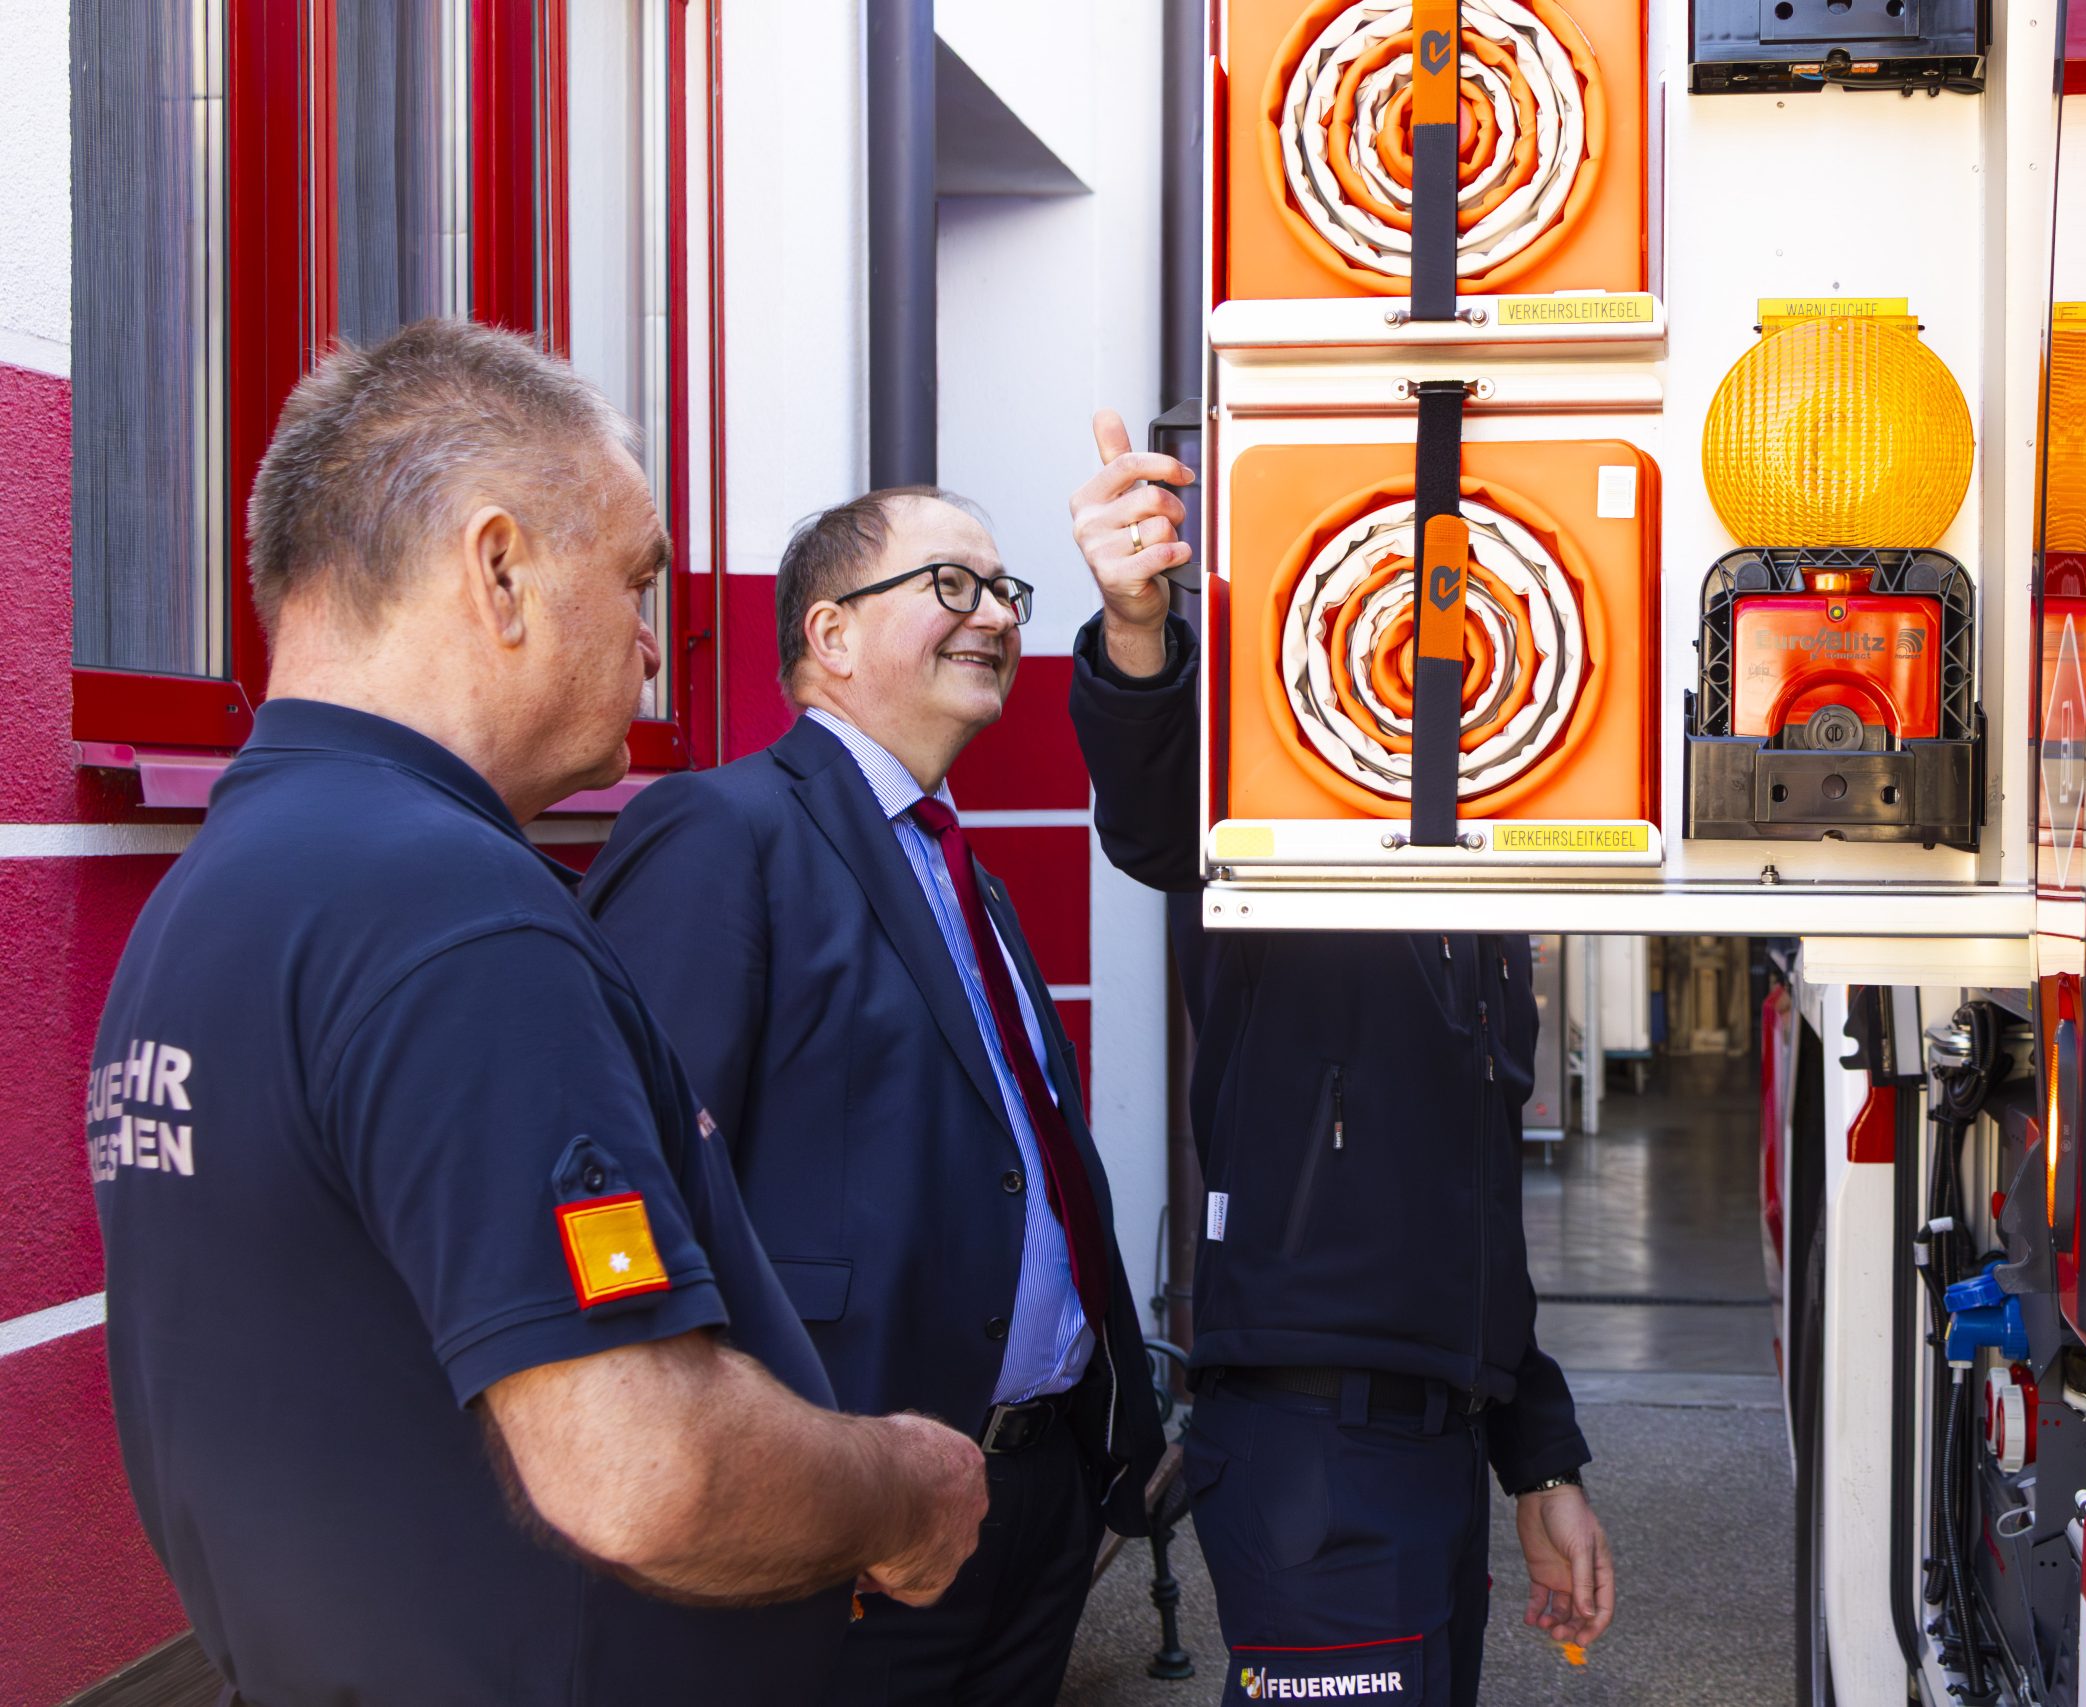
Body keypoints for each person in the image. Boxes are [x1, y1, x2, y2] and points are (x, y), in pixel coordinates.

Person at [84, 320, 987, 1707]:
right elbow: (644, 1469)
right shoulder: (450, 911)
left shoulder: (218, 891)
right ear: (498, 570)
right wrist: (904, 1491)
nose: (650, 645)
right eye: (635, 579)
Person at [1064, 412, 1616, 1706]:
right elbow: (1158, 816)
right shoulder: (1268, 811)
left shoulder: (1484, 897)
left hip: (1436, 1443)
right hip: (1316, 1448)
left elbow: (1478, 1212)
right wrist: (1137, 630)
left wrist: (1539, 1459)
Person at [582, 487, 1167, 1706]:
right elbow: (640, 1189)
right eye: (951, 584)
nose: (994, 616)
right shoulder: (723, 831)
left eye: (1003, 591)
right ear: (830, 634)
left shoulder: (957, 866)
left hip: (1032, 1502)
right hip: (852, 1523)